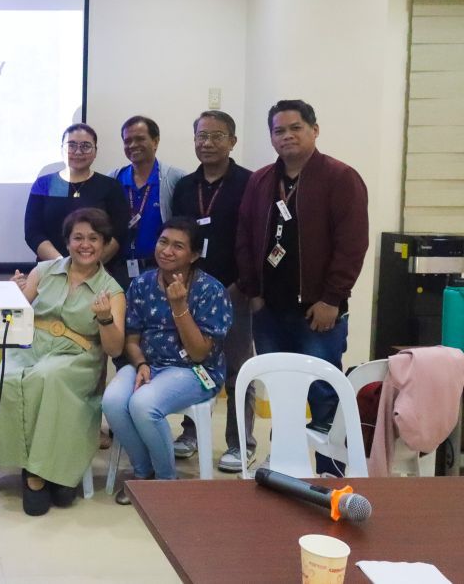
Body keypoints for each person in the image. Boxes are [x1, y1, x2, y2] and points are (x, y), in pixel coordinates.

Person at [236, 99, 368, 474]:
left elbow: (352, 245)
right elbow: (244, 238)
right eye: (279, 130)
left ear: (314, 129)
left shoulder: (341, 178)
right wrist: (254, 292)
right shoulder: (261, 180)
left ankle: (332, 471)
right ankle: (285, 467)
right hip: (270, 311)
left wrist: (331, 299)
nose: (287, 136)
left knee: (323, 393)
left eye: (296, 128)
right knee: (282, 392)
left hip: (318, 312)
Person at [0, 207, 124, 516]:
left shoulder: (112, 290)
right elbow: (15, 316)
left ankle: (41, 473)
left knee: (49, 377)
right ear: (67, 241)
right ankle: (38, 469)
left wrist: (104, 319)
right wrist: (13, 295)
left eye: (93, 238)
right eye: (78, 238)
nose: (85, 245)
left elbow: (114, 349)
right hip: (32, 347)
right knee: (4, 377)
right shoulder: (44, 270)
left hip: (77, 358)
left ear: (104, 244)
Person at [102, 218, 233, 504]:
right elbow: (132, 339)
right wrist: (140, 364)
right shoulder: (142, 283)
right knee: (112, 401)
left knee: (143, 404)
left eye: (178, 246)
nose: (167, 251)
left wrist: (179, 306)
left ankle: (166, 481)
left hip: (196, 371)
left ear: (195, 255)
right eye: (163, 242)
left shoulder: (212, 291)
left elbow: (199, 352)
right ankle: (144, 473)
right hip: (148, 363)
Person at [170, 110, 256, 472]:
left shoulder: (250, 183)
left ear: (232, 141)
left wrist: (243, 286)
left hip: (236, 289)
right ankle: (191, 431)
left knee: (238, 367)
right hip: (194, 290)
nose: (207, 143)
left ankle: (241, 442)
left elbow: (255, 240)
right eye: (201, 136)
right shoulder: (186, 186)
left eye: (217, 136)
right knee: (194, 361)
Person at [24, 123, 129, 282]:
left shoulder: (110, 186)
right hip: (51, 272)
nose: (78, 151)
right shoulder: (46, 184)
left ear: (95, 152)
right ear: (62, 149)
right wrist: (62, 265)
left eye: (86, 146)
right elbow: (33, 232)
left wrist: (89, 265)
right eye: (71, 145)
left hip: (97, 274)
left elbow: (119, 233)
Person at [110, 116, 186, 285]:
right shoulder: (113, 179)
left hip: (160, 270)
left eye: (140, 139)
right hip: (117, 270)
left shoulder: (175, 178)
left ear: (155, 141)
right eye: (127, 141)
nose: (132, 145)